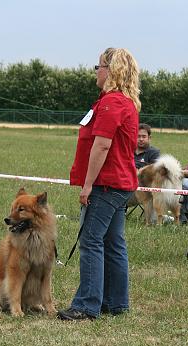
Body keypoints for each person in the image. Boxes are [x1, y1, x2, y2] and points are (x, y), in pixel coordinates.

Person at [57, 47, 141, 321]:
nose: (97, 71)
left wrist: (87, 185)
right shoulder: (124, 102)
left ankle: (87, 304)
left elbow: (102, 145)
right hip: (121, 183)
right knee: (114, 242)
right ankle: (116, 302)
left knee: (92, 240)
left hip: (107, 184)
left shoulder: (111, 103)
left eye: (99, 66)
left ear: (111, 70)